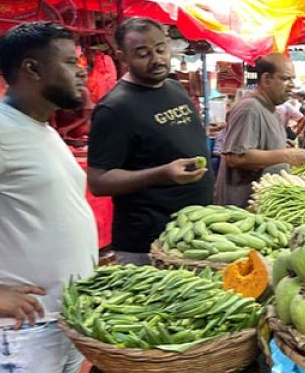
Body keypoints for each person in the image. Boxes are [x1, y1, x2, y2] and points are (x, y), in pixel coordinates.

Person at [0, 22, 98, 370]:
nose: (81, 72)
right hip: (19, 331)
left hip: (58, 320)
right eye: (69, 62)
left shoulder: (39, 127)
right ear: (32, 68)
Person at [87, 17, 213, 265]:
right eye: (143, 53)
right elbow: (98, 182)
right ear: (123, 57)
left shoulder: (174, 88)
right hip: (147, 243)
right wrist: (162, 173)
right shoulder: (115, 108)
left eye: (160, 49)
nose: (156, 59)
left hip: (192, 236)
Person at [215, 54, 305, 207]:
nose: (292, 84)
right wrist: (285, 155)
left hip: (262, 204)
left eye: (293, 79)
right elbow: (236, 157)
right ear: (266, 79)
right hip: (243, 208)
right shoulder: (250, 108)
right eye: (285, 79)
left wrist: (278, 146)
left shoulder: (270, 108)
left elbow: (256, 146)